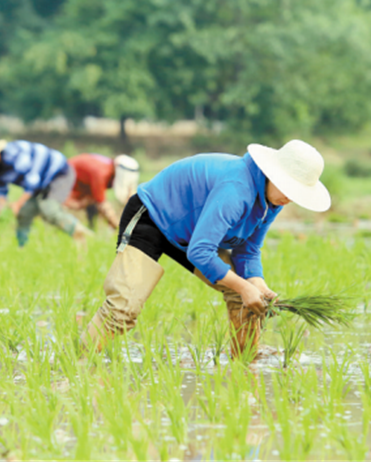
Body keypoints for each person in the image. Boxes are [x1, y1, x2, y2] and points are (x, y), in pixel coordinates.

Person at [82, 140, 331, 361]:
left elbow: (249, 250)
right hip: (153, 216)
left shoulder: (272, 200)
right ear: (272, 174)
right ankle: (75, 363)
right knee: (124, 308)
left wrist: (258, 284)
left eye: (296, 193)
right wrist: (244, 286)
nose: (290, 197)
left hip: (193, 232)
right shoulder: (237, 189)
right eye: (288, 188)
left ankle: (245, 365)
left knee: (246, 297)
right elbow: (201, 251)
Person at [0, 139, 91, 246]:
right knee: (24, 212)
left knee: (49, 209)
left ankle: (82, 235)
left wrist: (17, 204)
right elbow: (2, 191)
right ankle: (21, 247)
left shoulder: (14, 156)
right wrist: (0, 207)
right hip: (41, 182)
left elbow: (33, 182)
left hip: (58, 174)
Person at [64, 153, 140, 229]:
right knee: (69, 206)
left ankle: (92, 229)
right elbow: (102, 204)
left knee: (91, 203)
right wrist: (117, 226)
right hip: (66, 180)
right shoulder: (101, 173)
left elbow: (129, 194)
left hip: (81, 183)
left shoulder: (109, 168)